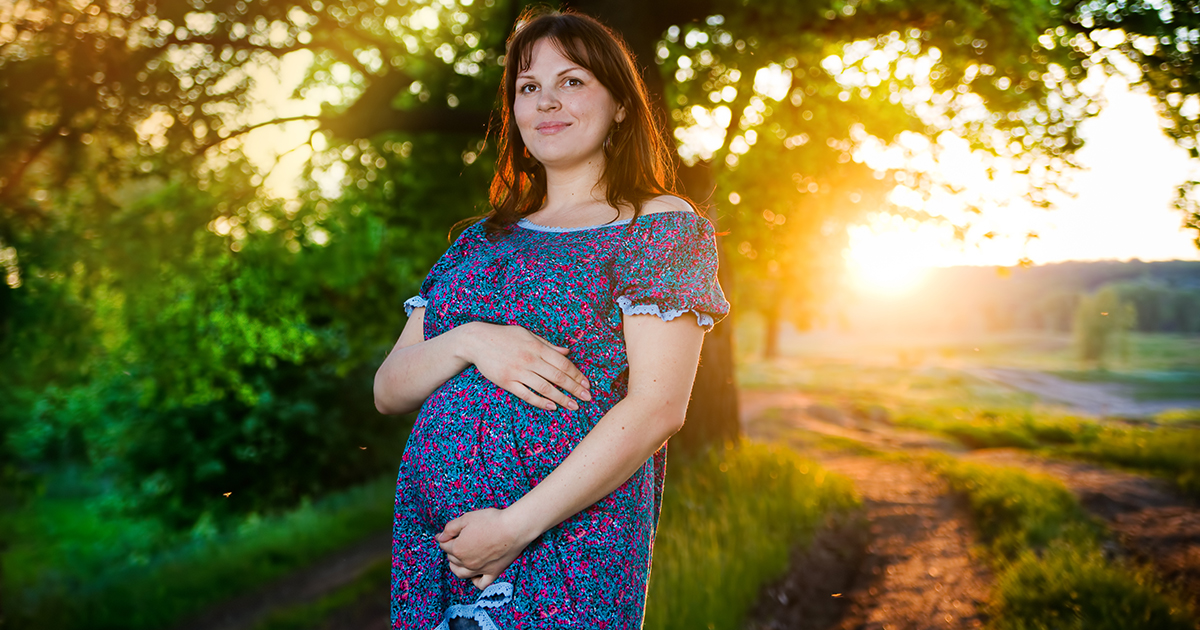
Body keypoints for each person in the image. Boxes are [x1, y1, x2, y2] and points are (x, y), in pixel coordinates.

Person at [373, 8, 729, 629]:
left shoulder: (657, 224)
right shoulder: (479, 240)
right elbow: (389, 388)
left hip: (566, 547)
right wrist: (473, 339)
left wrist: (514, 528)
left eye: (572, 81)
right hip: (440, 548)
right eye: (528, 87)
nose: (547, 103)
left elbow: (657, 408)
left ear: (620, 103)